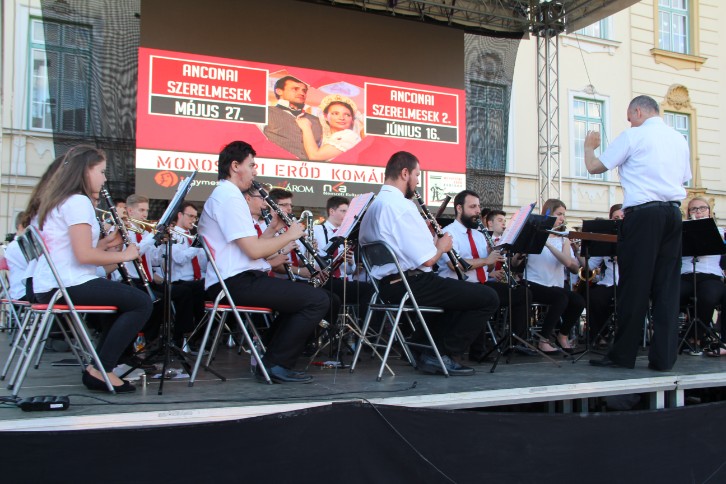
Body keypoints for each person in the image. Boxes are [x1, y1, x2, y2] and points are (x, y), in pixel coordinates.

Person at [198, 140, 329, 383]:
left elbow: (249, 246)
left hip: (237, 279)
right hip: (233, 282)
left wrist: (272, 230)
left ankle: (269, 358)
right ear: (235, 166)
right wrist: (289, 235)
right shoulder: (229, 197)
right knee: (317, 300)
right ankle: (276, 364)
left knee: (306, 298)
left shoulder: (227, 195)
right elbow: (253, 251)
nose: (255, 171)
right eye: (251, 165)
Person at [359, 151, 500, 376]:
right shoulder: (402, 207)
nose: (417, 181)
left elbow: (403, 248)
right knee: (488, 297)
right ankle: (440, 354)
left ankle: (421, 348)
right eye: (417, 175)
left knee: (456, 293)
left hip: (386, 287)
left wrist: (428, 237)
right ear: (405, 173)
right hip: (410, 283)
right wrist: (442, 246)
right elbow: (428, 260)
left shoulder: (375, 205)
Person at [33, 145, 152, 393]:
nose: (104, 178)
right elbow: (84, 255)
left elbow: (74, 250)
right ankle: (102, 369)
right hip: (67, 284)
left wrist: (106, 245)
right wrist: (125, 254)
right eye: (101, 171)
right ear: (86, 171)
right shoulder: (78, 201)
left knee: (124, 301)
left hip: (54, 284)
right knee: (141, 302)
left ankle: (99, 367)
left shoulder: (61, 199)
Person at [585, 95, 691, 371]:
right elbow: (683, 178)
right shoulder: (679, 139)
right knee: (667, 288)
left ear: (639, 111)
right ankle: (664, 358)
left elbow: (594, 167)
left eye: (629, 116)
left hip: (644, 214)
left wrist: (589, 147)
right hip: (673, 213)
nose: (629, 121)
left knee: (634, 285)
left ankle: (623, 355)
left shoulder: (633, 135)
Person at [437, 191, 531, 361]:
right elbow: (454, 264)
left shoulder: (479, 235)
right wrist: (486, 259)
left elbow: (487, 268)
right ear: (459, 208)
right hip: (457, 286)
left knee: (522, 293)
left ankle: (514, 342)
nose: (477, 211)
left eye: (478, 207)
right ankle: (470, 351)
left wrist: (492, 257)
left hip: (480, 283)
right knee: (484, 296)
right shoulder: (448, 233)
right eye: (473, 207)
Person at [525, 199, 585, 354]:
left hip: (555, 285)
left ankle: (562, 335)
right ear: (549, 213)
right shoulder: (534, 235)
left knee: (578, 301)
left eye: (563, 215)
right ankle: (543, 340)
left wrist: (549, 244)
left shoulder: (563, 239)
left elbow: (568, 262)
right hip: (533, 282)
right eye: (559, 214)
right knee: (560, 298)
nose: (562, 218)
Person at [678, 197, 726, 355]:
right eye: (694, 209)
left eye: (702, 208)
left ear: (709, 211)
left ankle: (697, 337)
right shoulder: (682, 230)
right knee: (670, 294)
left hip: (710, 275)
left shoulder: (720, 231)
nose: (698, 212)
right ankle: (670, 337)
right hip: (686, 274)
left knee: (708, 296)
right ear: (688, 213)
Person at [582, 204, 624, 346]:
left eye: (622, 217)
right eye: (616, 217)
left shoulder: (636, 237)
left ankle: (626, 337)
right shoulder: (606, 240)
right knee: (593, 296)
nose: (619, 220)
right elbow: (590, 265)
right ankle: (600, 334)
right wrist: (578, 251)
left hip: (628, 283)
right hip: (609, 283)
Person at [168, 202, 207, 343]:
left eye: (195, 217)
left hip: (195, 281)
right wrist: (197, 245)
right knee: (193, 290)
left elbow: (202, 265)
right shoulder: (172, 235)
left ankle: (201, 334)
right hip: (179, 281)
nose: (193, 220)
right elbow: (179, 259)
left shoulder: (191, 237)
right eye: (190, 216)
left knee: (215, 287)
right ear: (180, 215)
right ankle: (186, 336)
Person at [263, 76, 322, 160]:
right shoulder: (265, 112)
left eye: (304, 90)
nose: (302, 93)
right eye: (295, 89)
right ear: (279, 91)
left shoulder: (317, 120)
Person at [296, 94, 362, 161]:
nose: (341, 118)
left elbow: (315, 156)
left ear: (352, 119)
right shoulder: (325, 137)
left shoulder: (350, 136)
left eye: (347, 115)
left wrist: (306, 127)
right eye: (335, 113)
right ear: (325, 116)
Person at [3, 212, 28, 301]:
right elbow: (30, 266)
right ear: (21, 227)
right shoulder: (15, 246)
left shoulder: (20, 245)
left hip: (24, 291)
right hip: (22, 292)